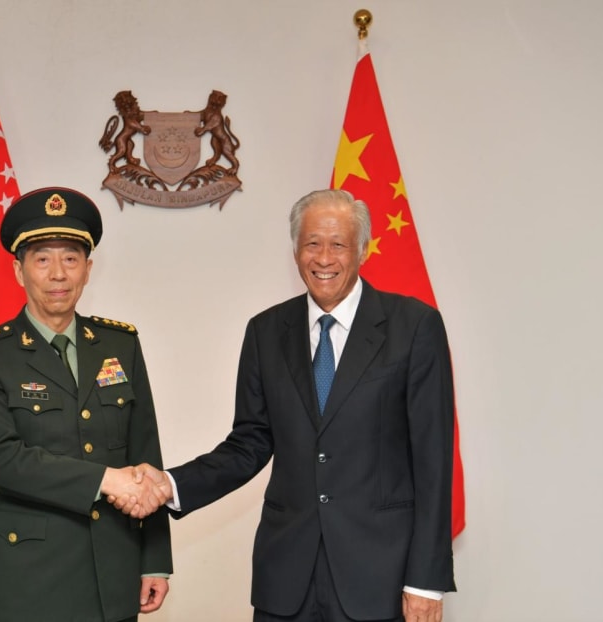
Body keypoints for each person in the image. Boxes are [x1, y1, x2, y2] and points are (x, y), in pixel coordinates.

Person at [114, 189, 456, 622]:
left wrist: (425, 580)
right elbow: (249, 443)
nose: (324, 257)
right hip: (286, 580)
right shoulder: (265, 331)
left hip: (380, 578)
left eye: (339, 244)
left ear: (363, 250)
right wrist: (169, 484)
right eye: (312, 243)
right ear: (296, 250)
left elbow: (433, 460)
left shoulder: (415, 326)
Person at [0, 186, 172, 622]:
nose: (58, 274)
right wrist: (107, 480)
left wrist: (154, 558)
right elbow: (5, 459)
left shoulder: (119, 343)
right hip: (30, 579)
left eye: (70, 259)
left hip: (114, 568)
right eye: (42, 259)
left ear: (88, 270)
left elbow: (145, 452)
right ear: (19, 271)